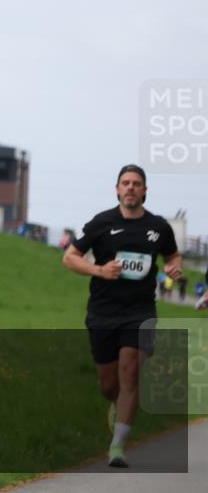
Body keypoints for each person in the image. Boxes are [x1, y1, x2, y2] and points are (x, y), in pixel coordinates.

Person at [62, 164, 183, 468]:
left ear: (145, 191)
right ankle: (115, 404)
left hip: (140, 312)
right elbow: (70, 257)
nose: (130, 188)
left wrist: (173, 266)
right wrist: (99, 270)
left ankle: (117, 445)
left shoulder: (158, 227)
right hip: (103, 311)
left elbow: (172, 254)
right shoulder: (101, 223)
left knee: (130, 371)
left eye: (136, 183)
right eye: (125, 183)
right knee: (108, 384)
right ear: (117, 189)